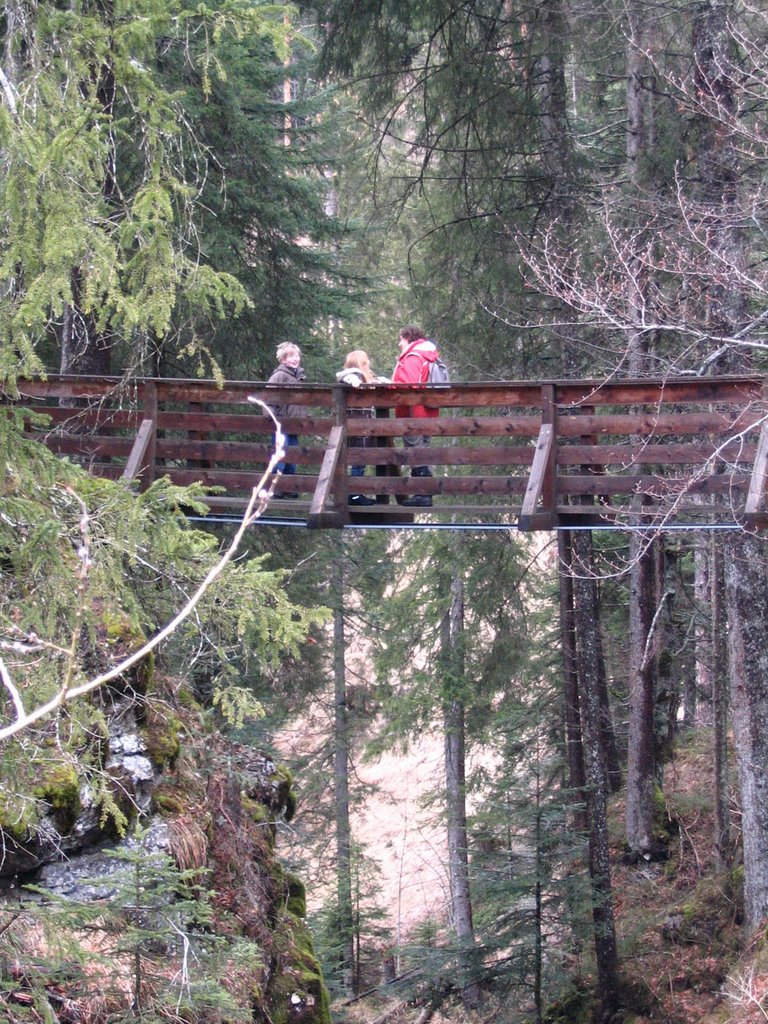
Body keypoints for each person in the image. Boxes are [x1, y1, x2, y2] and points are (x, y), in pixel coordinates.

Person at [392, 326, 439, 507]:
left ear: (408, 338)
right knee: (423, 450)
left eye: (401, 340)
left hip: (413, 411)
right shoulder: (428, 354)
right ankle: (425, 494)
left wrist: (389, 387)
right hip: (428, 410)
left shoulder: (413, 356)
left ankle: (422, 495)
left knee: (415, 451)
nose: (399, 344)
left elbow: (409, 385)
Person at [336, 350, 388, 506]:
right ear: (361, 363)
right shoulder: (353, 374)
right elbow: (348, 377)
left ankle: (354, 492)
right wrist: (355, 381)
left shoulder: (364, 377)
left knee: (360, 457)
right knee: (359, 457)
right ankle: (354, 493)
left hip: (361, 424)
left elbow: (376, 381)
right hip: (357, 424)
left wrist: (380, 382)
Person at [267, 342, 305, 496]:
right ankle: (277, 487)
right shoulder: (279, 375)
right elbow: (268, 397)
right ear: (283, 360)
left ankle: (290, 486)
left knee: (293, 453)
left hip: (294, 423)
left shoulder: (299, 376)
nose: (295, 359)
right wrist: (273, 417)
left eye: (296, 356)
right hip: (281, 423)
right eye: (290, 357)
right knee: (280, 452)